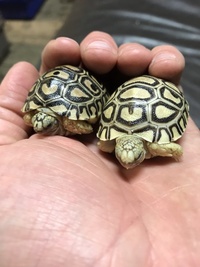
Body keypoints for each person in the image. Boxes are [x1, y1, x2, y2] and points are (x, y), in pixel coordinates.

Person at [0, 31, 199, 266]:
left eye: (132, 158)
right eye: (122, 155)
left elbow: (173, 149)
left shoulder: (128, 143)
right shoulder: (107, 142)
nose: (126, 162)